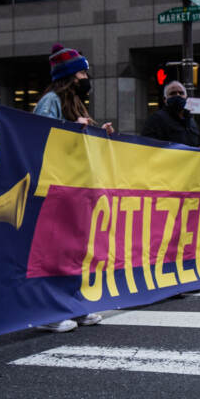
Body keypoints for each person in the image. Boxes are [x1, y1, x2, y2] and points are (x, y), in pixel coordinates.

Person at [33, 43, 113, 332]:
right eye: (81, 73)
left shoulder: (73, 103)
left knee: (74, 249)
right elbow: (38, 137)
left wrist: (96, 131)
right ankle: (48, 312)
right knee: (55, 252)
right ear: (69, 76)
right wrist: (73, 129)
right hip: (57, 187)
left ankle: (72, 305)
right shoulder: (51, 101)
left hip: (75, 187)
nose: (85, 78)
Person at [142, 80, 200, 147]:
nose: (178, 95)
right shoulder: (155, 120)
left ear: (186, 97)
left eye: (181, 93)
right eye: (172, 93)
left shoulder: (192, 122)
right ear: (165, 99)